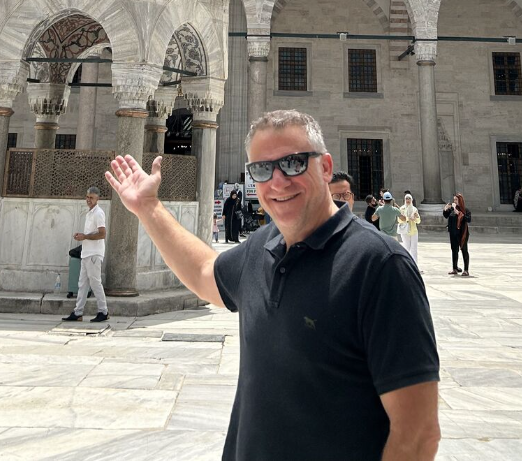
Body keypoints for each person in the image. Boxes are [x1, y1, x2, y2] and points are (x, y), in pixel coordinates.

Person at [105, 109, 441, 461]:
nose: (278, 182)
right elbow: (205, 272)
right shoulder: (262, 245)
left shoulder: (380, 265)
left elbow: (418, 433)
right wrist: (148, 208)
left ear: (325, 167)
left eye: (293, 163)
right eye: (263, 170)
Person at [62, 185, 108, 324]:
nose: (88, 200)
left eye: (91, 198)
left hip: (94, 254)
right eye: (87, 197)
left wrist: (85, 237)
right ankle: (78, 312)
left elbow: (102, 234)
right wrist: (82, 236)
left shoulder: (98, 213)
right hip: (86, 253)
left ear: (97, 198)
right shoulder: (90, 213)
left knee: (95, 283)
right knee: (82, 284)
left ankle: (103, 311)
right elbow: (91, 234)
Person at [443, 195, 471, 276]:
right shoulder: (452, 210)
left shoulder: (465, 210)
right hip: (453, 233)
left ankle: (466, 270)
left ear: (460, 200)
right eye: (454, 200)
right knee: (454, 250)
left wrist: (459, 213)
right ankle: (455, 268)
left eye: (456, 200)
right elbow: (446, 215)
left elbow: (468, 219)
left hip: (462, 233)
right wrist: (445, 209)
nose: (454, 201)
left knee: (464, 250)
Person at [397, 192, 421, 263]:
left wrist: (416, 217)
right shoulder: (402, 209)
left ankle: (414, 264)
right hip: (405, 231)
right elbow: (399, 220)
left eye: (409, 198)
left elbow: (418, 221)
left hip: (414, 231)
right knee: (406, 248)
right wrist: (408, 218)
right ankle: (406, 263)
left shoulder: (414, 209)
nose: (408, 200)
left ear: (411, 200)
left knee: (414, 249)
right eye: (406, 198)